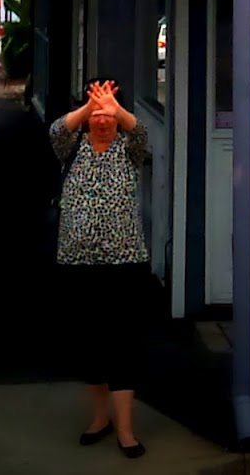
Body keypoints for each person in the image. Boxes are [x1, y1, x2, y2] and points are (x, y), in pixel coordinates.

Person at [50, 78, 153, 458]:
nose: (102, 121)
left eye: (107, 115)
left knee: (123, 344)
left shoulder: (129, 149)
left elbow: (141, 133)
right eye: (96, 115)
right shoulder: (71, 148)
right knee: (89, 344)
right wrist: (88, 108)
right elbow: (57, 130)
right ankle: (99, 418)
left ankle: (126, 430)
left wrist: (118, 110)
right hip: (78, 262)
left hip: (124, 263)